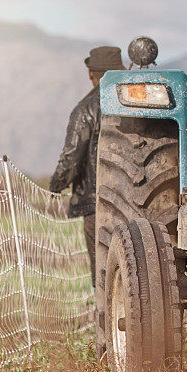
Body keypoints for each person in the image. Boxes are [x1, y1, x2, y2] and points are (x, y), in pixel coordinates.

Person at [50, 46, 125, 287]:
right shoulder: (135, 101)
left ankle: (105, 318)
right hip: (134, 205)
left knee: (103, 272)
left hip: (96, 205)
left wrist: (56, 185)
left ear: (92, 74)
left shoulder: (86, 109)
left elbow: (71, 156)